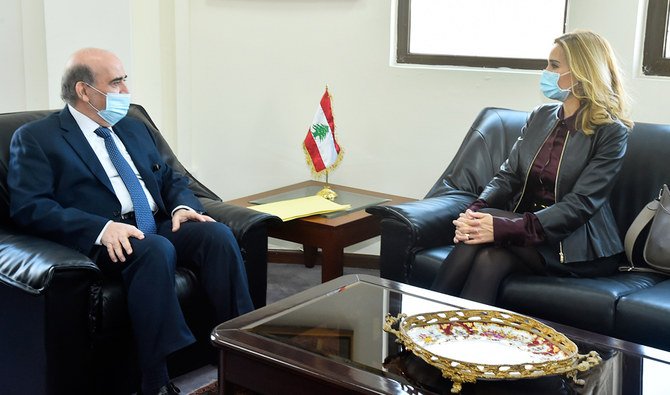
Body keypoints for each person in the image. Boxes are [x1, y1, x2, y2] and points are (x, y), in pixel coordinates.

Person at [7, 48, 254, 395]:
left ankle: (241, 348)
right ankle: (154, 381)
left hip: (154, 223)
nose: (126, 90)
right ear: (84, 91)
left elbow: (171, 178)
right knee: (154, 250)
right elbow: (29, 207)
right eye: (117, 82)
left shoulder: (134, 128)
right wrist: (100, 228)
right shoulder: (36, 138)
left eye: (125, 80)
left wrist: (182, 207)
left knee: (216, 235)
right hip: (103, 238)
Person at [431, 30, 633, 305]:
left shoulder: (611, 132)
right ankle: (452, 337)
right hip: (527, 233)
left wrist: (501, 227)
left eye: (554, 65)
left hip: (576, 246)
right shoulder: (541, 116)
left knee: (487, 237)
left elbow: (582, 204)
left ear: (582, 73)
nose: (545, 71)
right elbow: (509, 175)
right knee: (491, 257)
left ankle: (423, 330)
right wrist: (474, 211)